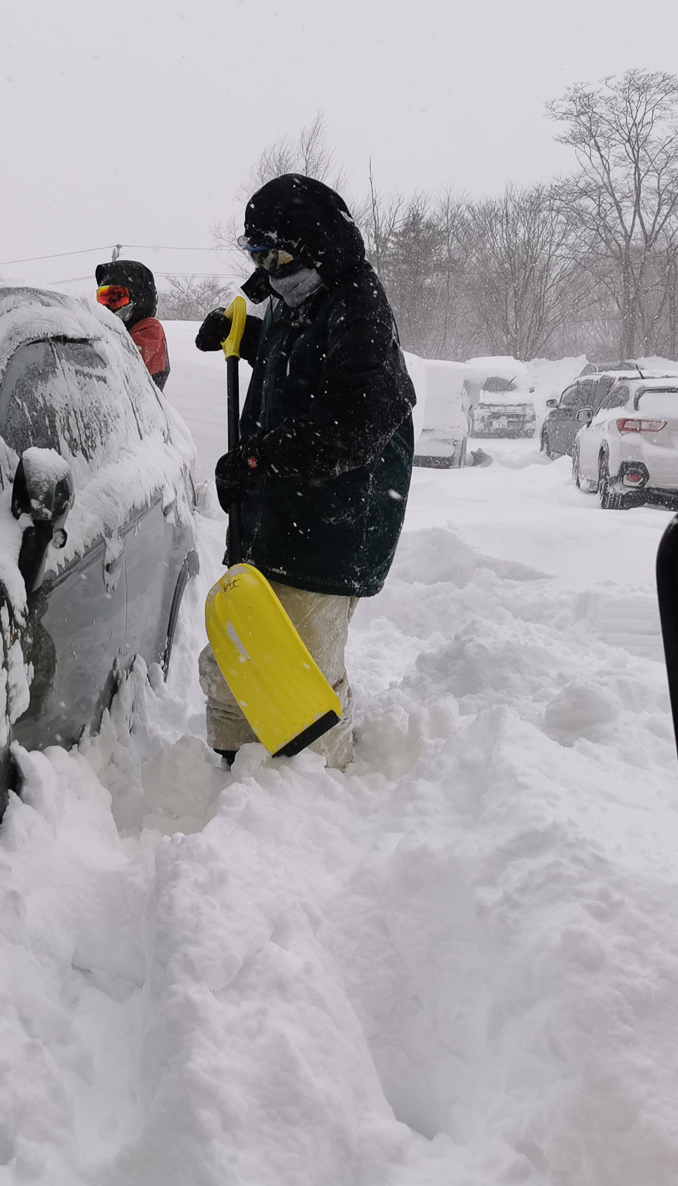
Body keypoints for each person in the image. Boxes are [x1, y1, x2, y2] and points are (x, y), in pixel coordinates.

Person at [193, 174, 416, 769]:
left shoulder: (359, 306)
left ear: (318, 245)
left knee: (301, 666)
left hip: (333, 522)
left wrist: (261, 456)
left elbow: (354, 416)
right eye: (255, 254)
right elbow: (306, 357)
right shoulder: (301, 295)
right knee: (244, 645)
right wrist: (249, 334)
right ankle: (235, 766)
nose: (267, 269)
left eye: (278, 254)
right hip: (282, 513)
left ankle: (315, 787)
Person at [94, 259, 170, 389]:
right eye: (103, 298)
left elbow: (118, 366)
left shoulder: (150, 329)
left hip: (140, 408)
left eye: (117, 298)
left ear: (139, 299)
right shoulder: (117, 329)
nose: (107, 306)